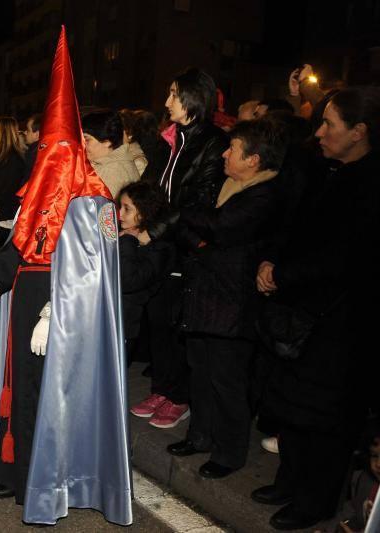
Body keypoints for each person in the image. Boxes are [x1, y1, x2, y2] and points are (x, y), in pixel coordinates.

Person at [0, 27, 132, 526]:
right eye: (45, 151)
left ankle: (52, 480)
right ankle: (17, 474)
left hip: (63, 316)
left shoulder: (95, 202)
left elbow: (94, 274)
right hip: (22, 303)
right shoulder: (36, 195)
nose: (48, 159)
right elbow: (17, 251)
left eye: (58, 151)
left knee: (54, 398)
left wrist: (56, 312)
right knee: (21, 392)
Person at [251, 86, 380, 531]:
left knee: (324, 417)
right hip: (303, 312)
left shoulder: (370, 184)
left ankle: (315, 501)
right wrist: (271, 262)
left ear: (360, 132)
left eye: (330, 124)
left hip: (342, 324)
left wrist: (285, 274)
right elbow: (294, 225)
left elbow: (345, 258)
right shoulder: (328, 170)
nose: (320, 132)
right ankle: (289, 482)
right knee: (291, 406)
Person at [165, 118, 287, 479]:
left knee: (226, 379)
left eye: (232, 148)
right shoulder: (227, 186)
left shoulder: (264, 195)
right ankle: (200, 435)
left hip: (232, 302)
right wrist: (199, 235)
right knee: (199, 370)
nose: (224, 153)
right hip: (206, 293)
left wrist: (189, 219)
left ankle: (230, 452)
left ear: (253, 159)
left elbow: (220, 228)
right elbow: (199, 232)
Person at [135, 68, 229, 430]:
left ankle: (180, 396)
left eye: (173, 94)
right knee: (158, 319)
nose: (166, 101)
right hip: (158, 242)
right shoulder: (168, 140)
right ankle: (162, 387)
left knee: (178, 323)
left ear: (192, 98)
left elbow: (198, 204)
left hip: (187, 247)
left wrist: (154, 230)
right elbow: (152, 188)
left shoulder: (213, 143)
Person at [117, 180, 174, 349]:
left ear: (144, 211)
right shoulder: (120, 236)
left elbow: (129, 281)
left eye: (127, 209)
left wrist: (128, 240)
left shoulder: (159, 248)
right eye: (120, 207)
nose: (120, 214)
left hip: (124, 325)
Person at [81, 110, 140, 198]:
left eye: (87, 140)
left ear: (107, 141)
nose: (82, 144)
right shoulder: (109, 164)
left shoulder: (113, 171)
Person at [22, 113, 41, 180]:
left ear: (37, 134)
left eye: (28, 130)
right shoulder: (35, 152)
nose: (25, 132)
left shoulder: (33, 156)